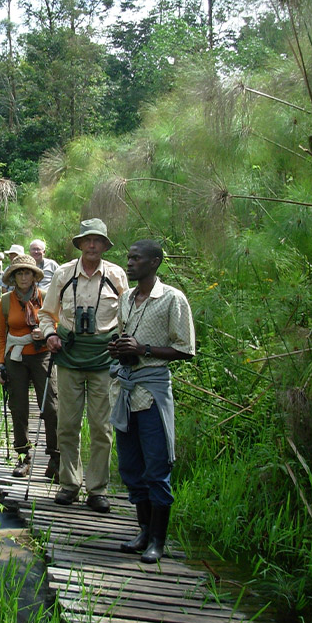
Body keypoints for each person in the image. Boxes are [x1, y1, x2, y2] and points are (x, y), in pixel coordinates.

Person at [108, 240, 195, 563]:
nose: (129, 263)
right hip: (126, 392)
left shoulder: (172, 299)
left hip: (153, 393)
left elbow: (185, 349)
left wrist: (143, 350)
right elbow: (124, 336)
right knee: (131, 467)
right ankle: (143, 531)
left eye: (136, 258)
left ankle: (158, 540)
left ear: (155, 262)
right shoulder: (126, 299)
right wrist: (118, 349)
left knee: (156, 467)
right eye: (129, 258)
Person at [39, 219, 128, 513]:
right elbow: (46, 313)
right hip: (69, 355)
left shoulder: (117, 276)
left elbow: (128, 318)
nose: (92, 245)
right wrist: (51, 334)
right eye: (87, 240)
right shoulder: (63, 274)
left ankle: (97, 489)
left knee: (102, 427)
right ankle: (69, 484)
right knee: (67, 424)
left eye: (97, 241)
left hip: (105, 359)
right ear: (80, 244)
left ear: (104, 245)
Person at [0, 254, 59, 480]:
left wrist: (45, 332)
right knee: (19, 408)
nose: (24, 276)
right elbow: (1, 337)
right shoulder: (5, 301)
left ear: (34, 276)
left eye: (27, 272)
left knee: (51, 407)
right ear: (13, 277)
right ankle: (23, 458)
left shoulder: (44, 298)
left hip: (42, 356)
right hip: (15, 358)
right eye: (19, 273)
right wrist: (0, 365)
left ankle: (55, 458)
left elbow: (56, 324)